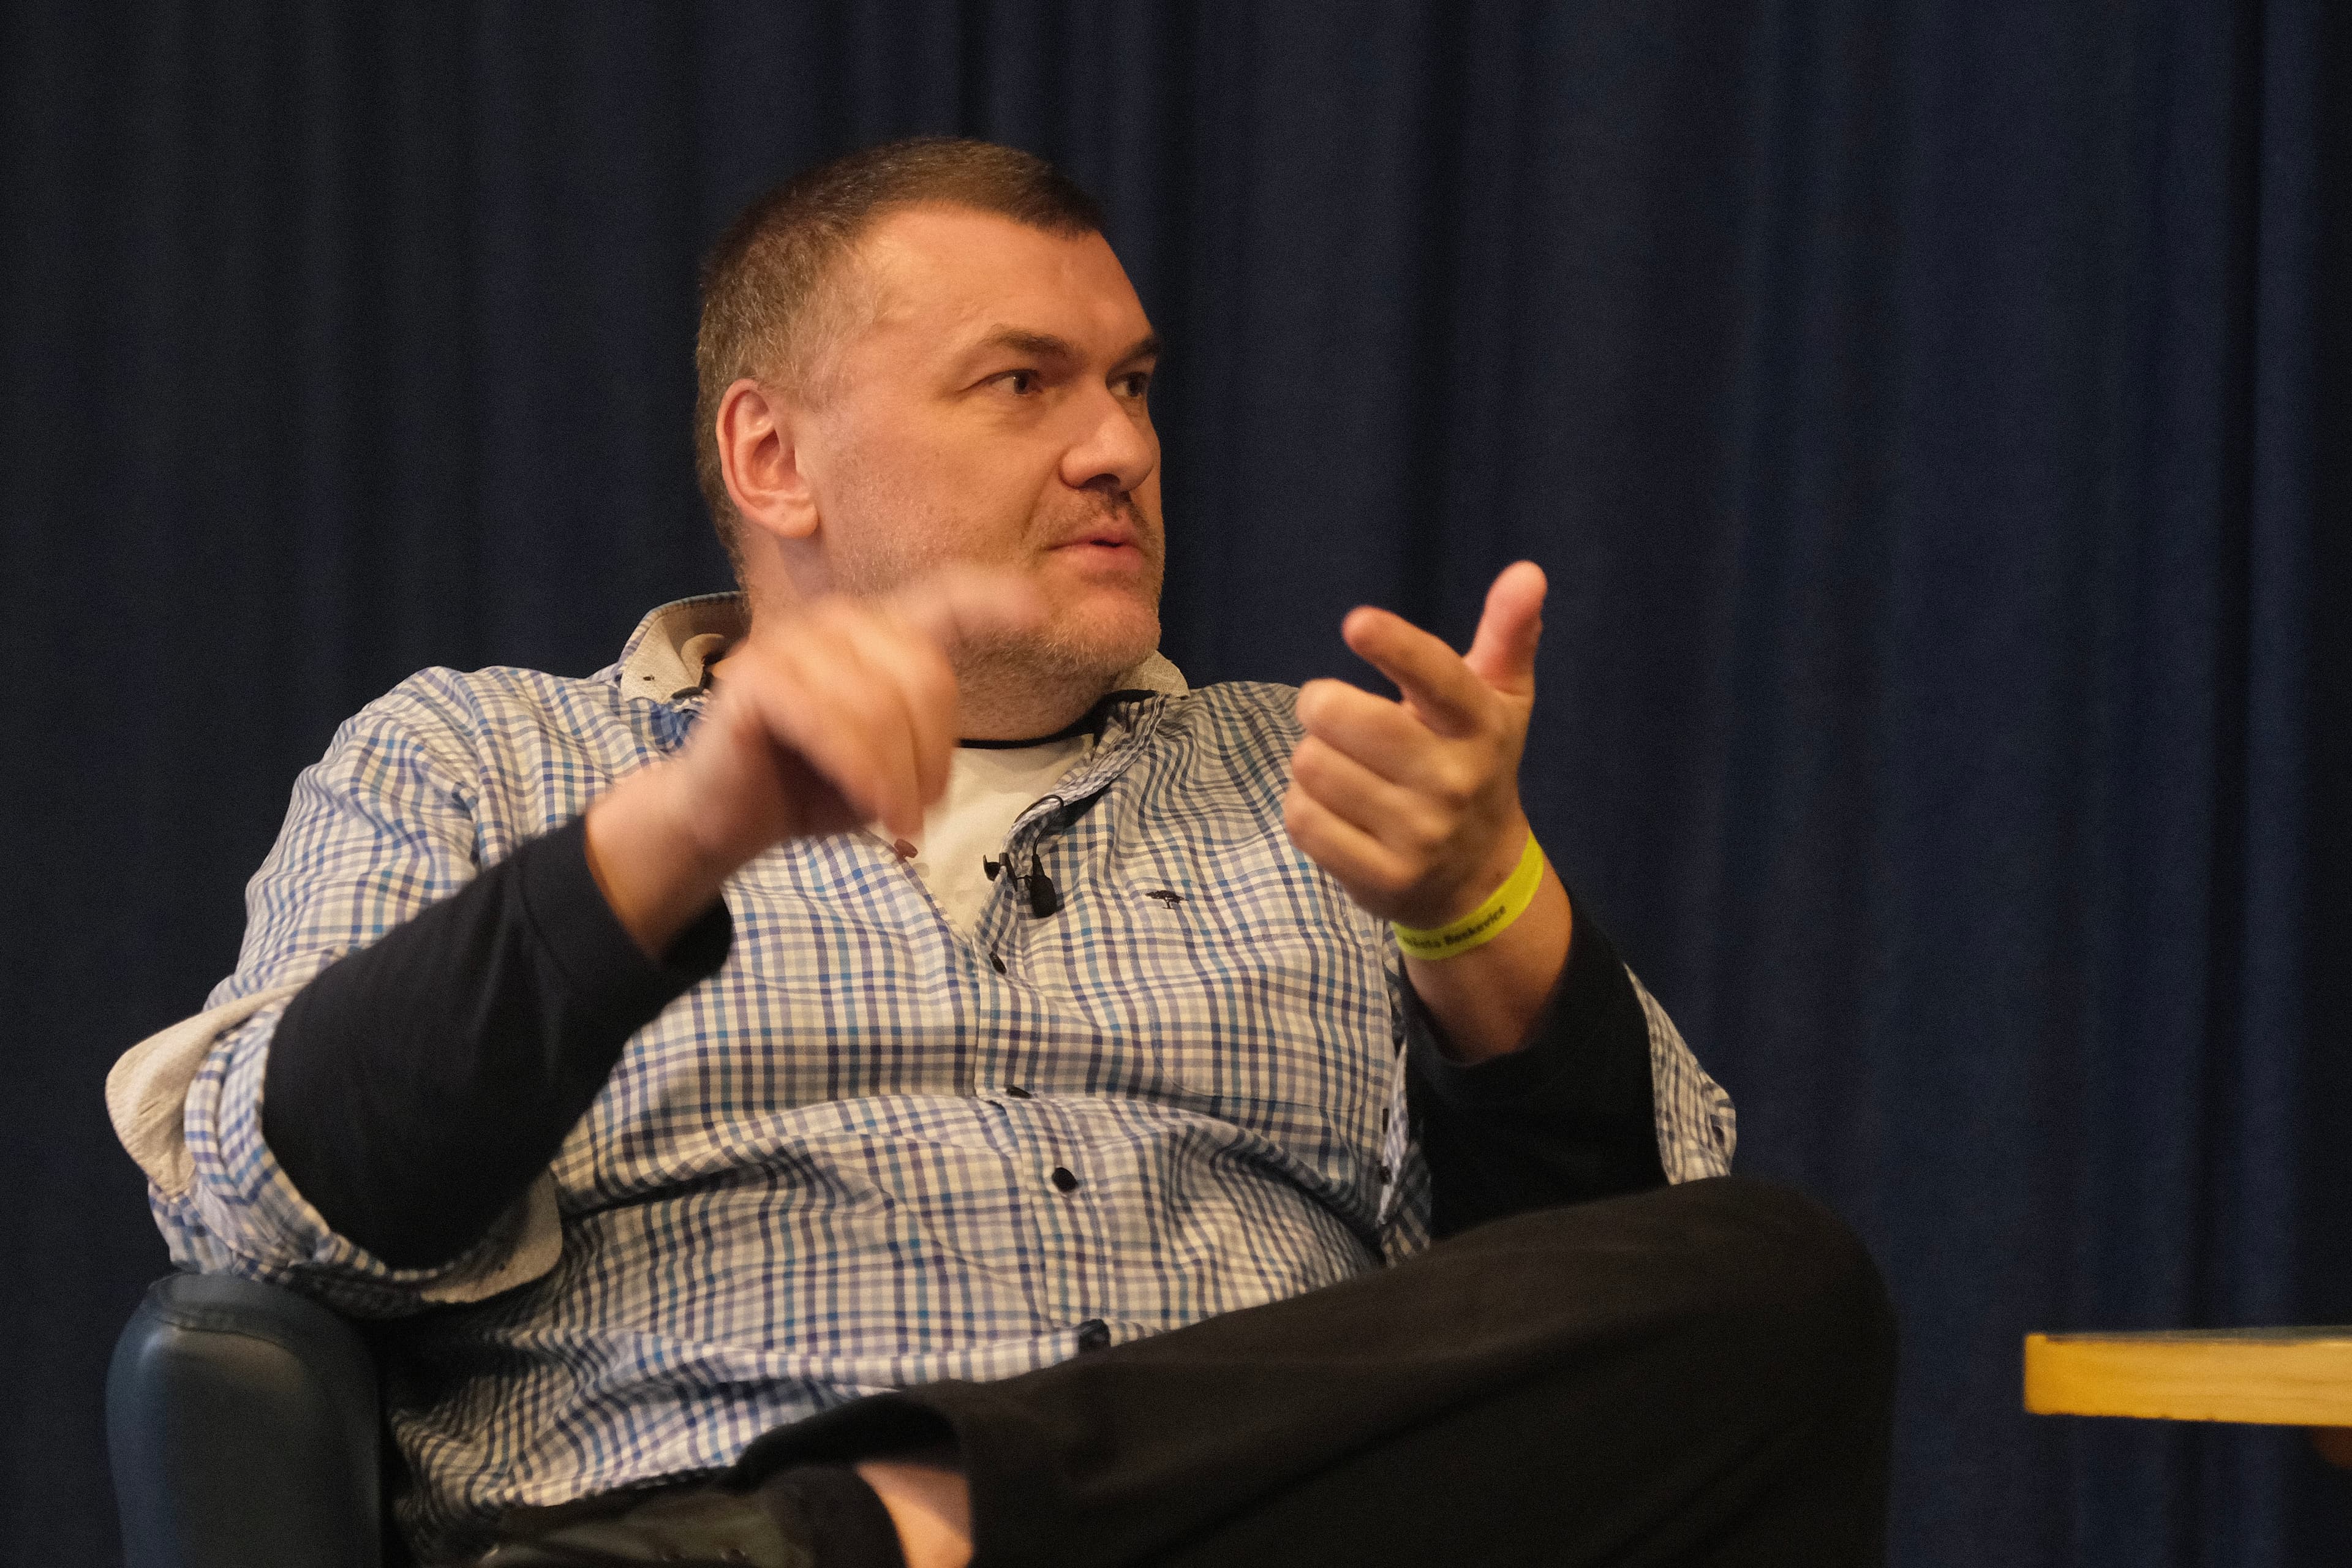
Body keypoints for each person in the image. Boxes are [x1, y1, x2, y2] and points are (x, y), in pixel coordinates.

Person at [111, 138, 1894, 1567]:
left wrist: (1482, 907)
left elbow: (1623, 1333)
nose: (1120, 447)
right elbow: (264, 1213)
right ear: (773, 455)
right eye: (1022, 383)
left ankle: (874, 1528)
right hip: (662, 1462)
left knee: (1783, 1284)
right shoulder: (480, 756)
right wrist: (677, 838)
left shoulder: (1324, 777)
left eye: (1133, 384)